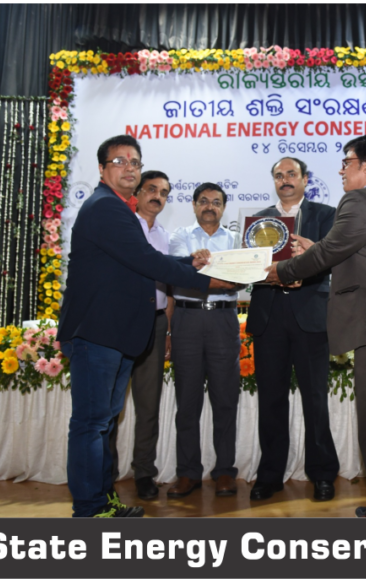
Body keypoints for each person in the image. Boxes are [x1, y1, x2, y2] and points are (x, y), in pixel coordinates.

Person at [57, 135, 225, 518]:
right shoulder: (105, 207)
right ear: (102, 169)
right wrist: (208, 280)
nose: (129, 167)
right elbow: (147, 261)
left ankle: (103, 501)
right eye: (120, 161)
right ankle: (89, 510)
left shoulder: (117, 208)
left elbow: (145, 257)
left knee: (102, 423)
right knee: (91, 424)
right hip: (97, 333)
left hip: (113, 334)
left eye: (135, 161)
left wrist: (190, 264)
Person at [265, 132, 366, 518]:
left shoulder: (359, 200)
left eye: (347, 162)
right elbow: (347, 252)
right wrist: (318, 252)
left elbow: (330, 251)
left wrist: (279, 271)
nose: (341, 170)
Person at [246, 157, 340, 502]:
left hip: (310, 315)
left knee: (315, 399)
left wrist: (306, 269)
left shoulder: (326, 215)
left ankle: (322, 474)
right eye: (278, 175)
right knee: (270, 399)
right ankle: (270, 474)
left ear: (305, 179)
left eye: (291, 174)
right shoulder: (258, 221)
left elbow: (333, 259)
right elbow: (252, 267)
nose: (284, 180)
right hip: (269, 315)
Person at [166, 183, 243, 499]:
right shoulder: (180, 237)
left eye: (216, 202)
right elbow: (178, 274)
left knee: (225, 400)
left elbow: (239, 280)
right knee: (187, 402)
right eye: (203, 201)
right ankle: (188, 473)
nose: (210, 206)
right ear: (194, 205)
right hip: (187, 320)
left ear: (223, 207)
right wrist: (212, 275)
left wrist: (202, 271)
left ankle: (224, 471)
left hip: (223, 321)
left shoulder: (235, 240)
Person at [128, 171, 173, 500]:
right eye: (152, 189)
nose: (158, 196)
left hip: (155, 324)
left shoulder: (165, 238)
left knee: (148, 404)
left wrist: (168, 329)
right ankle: (104, 471)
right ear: (138, 193)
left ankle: (144, 472)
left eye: (164, 193)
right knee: (111, 405)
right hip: (122, 322)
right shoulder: (124, 228)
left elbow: (169, 289)